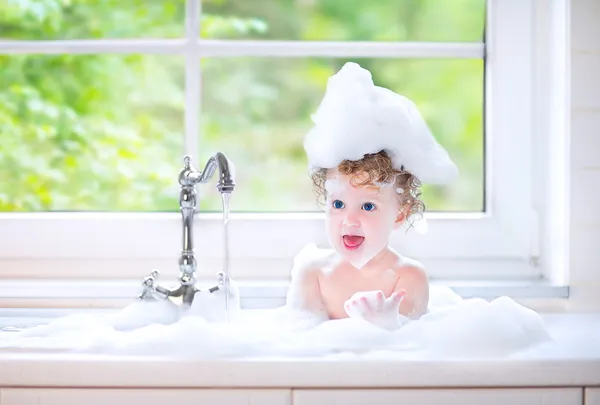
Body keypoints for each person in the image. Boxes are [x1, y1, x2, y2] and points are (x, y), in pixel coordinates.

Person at [285, 62, 458, 331]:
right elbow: (298, 339)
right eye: (338, 204)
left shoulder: (407, 277)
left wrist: (387, 326)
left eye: (367, 206)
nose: (350, 220)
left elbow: (414, 348)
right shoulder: (313, 273)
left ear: (400, 214)